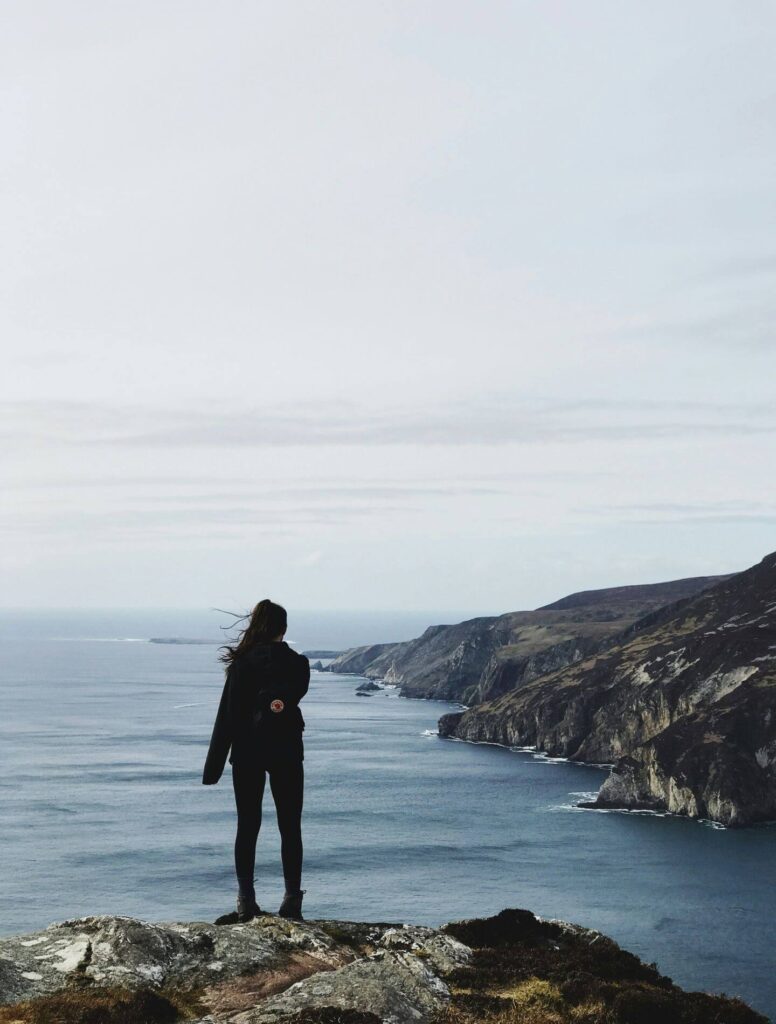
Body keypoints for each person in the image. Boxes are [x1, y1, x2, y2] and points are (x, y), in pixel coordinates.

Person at [202, 599, 310, 922]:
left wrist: (213, 768)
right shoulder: (299, 665)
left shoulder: (241, 666)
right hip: (287, 751)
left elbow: (227, 718)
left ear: (257, 626)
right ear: (284, 629)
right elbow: (293, 693)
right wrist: (277, 701)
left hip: (247, 752)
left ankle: (246, 902)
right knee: (290, 826)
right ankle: (292, 901)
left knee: (247, 826)